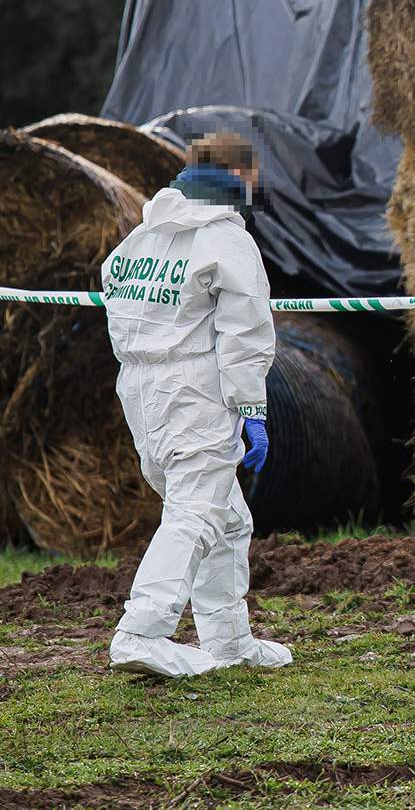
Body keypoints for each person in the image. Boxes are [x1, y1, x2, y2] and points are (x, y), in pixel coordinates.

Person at [101, 131, 290, 678]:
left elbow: (112, 286)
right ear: (241, 177)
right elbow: (245, 332)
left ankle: (229, 641)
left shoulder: (142, 238)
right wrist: (252, 407)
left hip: (141, 389)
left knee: (227, 519)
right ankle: (142, 630)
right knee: (196, 512)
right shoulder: (227, 241)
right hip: (196, 391)